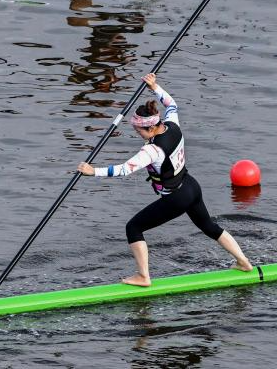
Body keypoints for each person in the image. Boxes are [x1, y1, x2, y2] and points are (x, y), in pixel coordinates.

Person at [77, 73, 253, 286]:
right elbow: (171, 104)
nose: (138, 134)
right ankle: (244, 262)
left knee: (133, 228)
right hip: (191, 186)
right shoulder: (172, 124)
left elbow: (124, 170)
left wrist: (93, 171)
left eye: (139, 131)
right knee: (209, 226)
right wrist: (155, 87)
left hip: (176, 197)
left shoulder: (152, 150)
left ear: (151, 128)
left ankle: (143, 276)